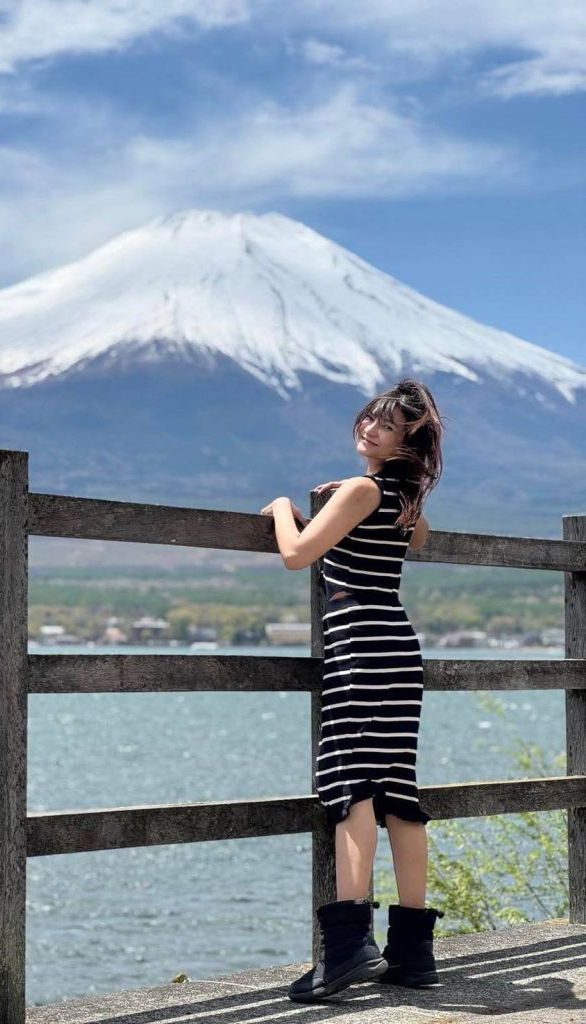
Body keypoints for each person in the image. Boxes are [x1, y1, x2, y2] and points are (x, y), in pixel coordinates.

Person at [259, 376, 446, 1002]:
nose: (370, 429)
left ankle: (346, 949)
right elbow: (413, 538)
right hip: (397, 646)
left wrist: (286, 507)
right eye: (369, 419)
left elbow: (297, 554)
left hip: (360, 646)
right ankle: (414, 955)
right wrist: (354, 491)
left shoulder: (365, 488)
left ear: (406, 441)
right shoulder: (404, 498)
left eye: (386, 426)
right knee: (398, 787)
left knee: (351, 784)